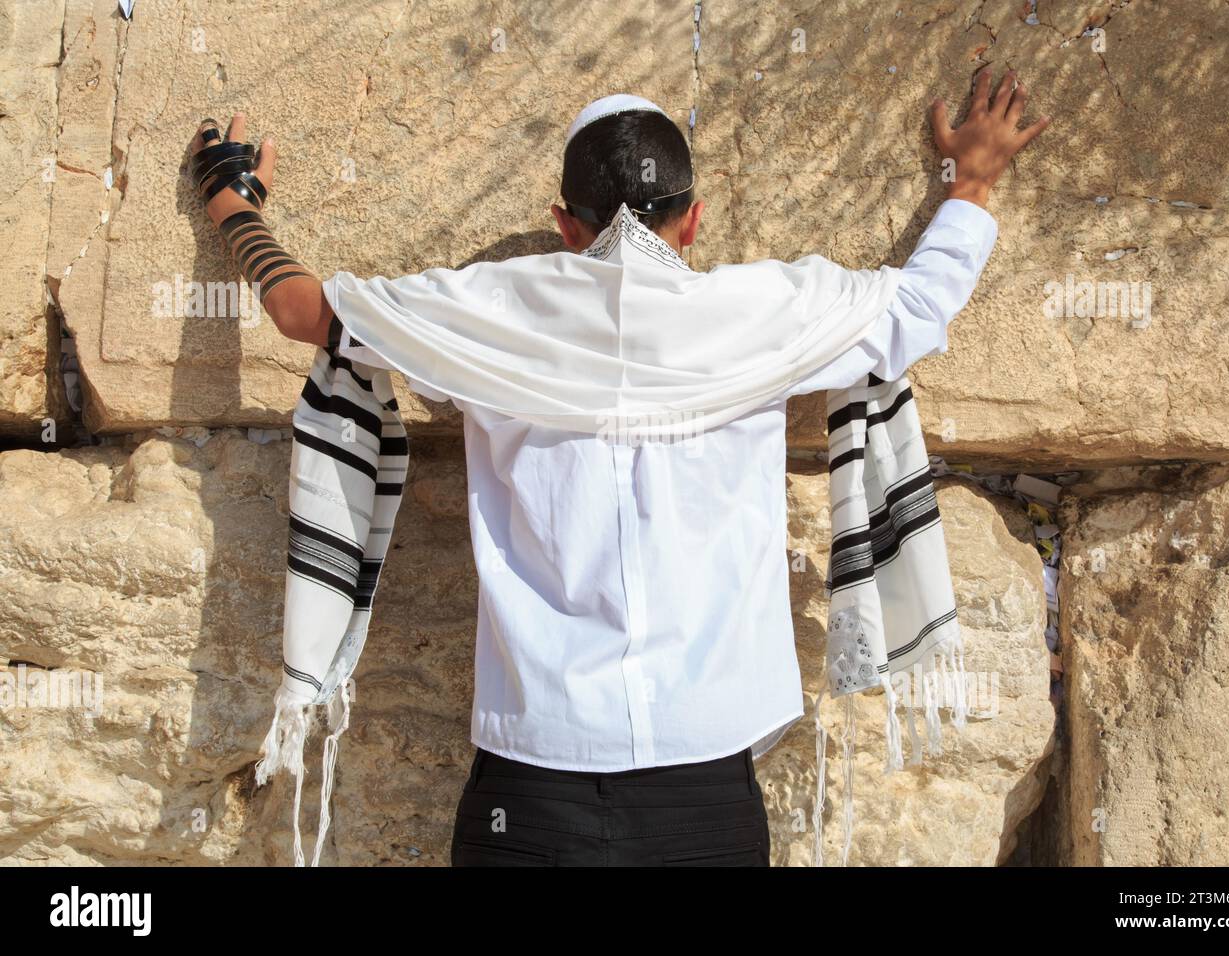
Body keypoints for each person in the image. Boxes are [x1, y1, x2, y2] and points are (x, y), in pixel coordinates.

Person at [188, 69, 1048, 867]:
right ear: (695, 217)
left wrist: (234, 201)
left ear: (566, 225)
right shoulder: (765, 315)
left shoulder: (490, 312)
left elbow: (303, 311)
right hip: (707, 800)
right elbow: (922, 303)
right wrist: (970, 180)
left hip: (526, 795)